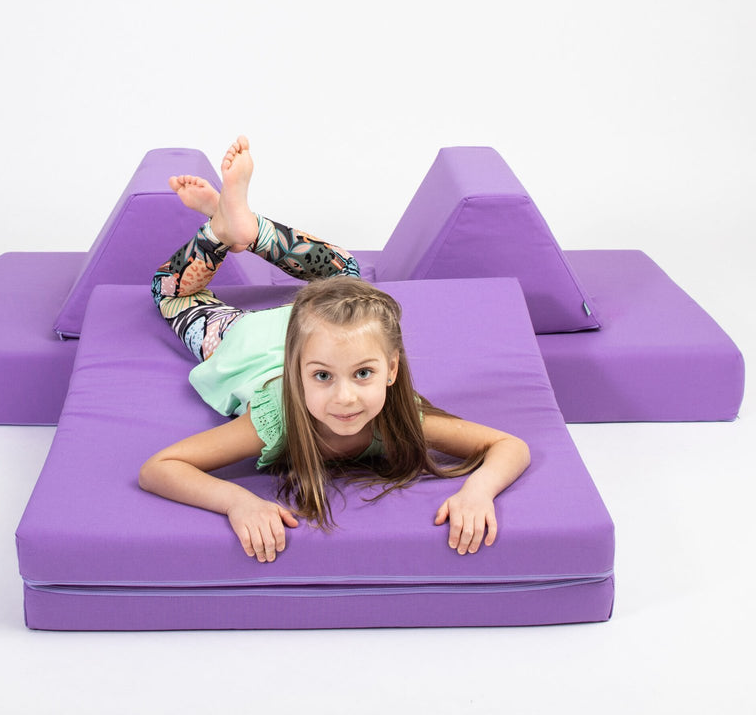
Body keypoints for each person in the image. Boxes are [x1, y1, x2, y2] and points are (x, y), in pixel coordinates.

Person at [139, 136, 530, 563]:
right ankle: (227, 231)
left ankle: (241, 229)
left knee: (347, 277)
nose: (345, 399)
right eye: (323, 378)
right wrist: (237, 501)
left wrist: (478, 490)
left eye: (363, 373)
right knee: (171, 296)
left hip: (318, 333)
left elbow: (509, 446)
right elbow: (159, 467)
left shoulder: (400, 415)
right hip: (242, 336)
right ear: (296, 373)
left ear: (392, 369)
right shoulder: (275, 420)